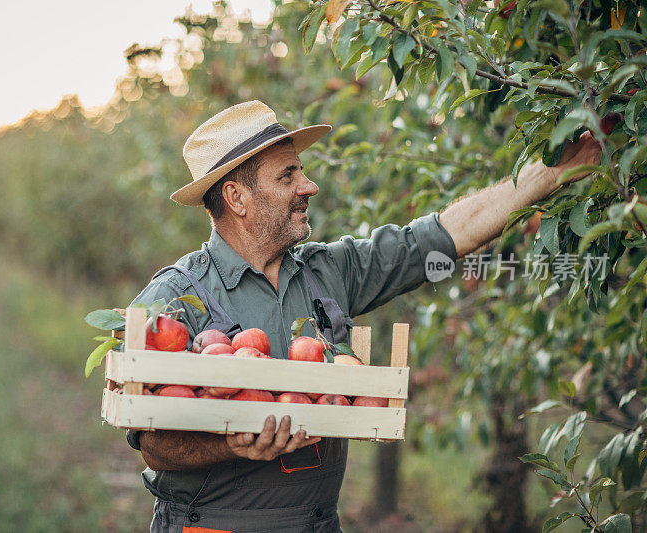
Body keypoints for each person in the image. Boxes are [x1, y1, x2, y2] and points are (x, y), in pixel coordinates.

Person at [126, 100, 602, 532]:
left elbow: (436, 238)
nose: (308, 186)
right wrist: (231, 443)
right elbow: (154, 443)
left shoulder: (328, 271)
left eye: (302, 171)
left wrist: (548, 174)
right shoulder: (174, 299)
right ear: (236, 198)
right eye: (288, 175)